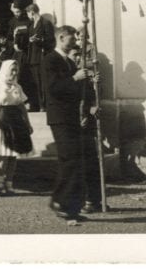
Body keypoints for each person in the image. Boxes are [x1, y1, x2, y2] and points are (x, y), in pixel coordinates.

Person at [44, 25, 95, 221]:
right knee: (69, 160)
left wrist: (90, 78)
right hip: (59, 117)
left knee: (75, 161)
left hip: (72, 116)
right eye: (71, 39)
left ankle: (71, 208)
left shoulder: (69, 62)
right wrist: (75, 78)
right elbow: (53, 88)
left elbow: (77, 88)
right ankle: (59, 200)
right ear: (61, 37)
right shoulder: (50, 60)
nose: (75, 42)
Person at [0, 60, 33, 194]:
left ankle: (9, 183)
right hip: (1, 118)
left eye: (16, 70)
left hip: (15, 120)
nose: (14, 73)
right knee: (3, 153)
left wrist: (28, 123)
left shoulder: (17, 87)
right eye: (12, 70)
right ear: (5, 70)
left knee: (13, 154)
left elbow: (22, 107)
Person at [68, 45, 104, 213]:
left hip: (87, 127)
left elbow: (91, 100)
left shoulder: (86, 78)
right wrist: (78, 115)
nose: (77, 58)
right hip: (73, 127)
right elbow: (63, 100)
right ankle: (81, 201)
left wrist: (96, 86)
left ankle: (94, 199)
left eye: (78, 56)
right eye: (74, 55)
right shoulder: (67, 77)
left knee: (92, 164)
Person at [25, 3, 56, 111]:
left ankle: (45, 105)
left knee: (43, 82)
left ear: (32, 12)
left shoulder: (45, 23)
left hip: (42, 57)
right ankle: (39, 105)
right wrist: (30, 40)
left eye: (28, 13)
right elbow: (28, 38)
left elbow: (51, 41)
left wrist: (39, 41)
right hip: (32, 58)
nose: (28, 16)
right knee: (36, 83)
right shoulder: (31, 24)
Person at [7, 0, 33, 107]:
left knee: (27, 76)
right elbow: (8, 38)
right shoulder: (12, 22)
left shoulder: (29, 21)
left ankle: (28, 101)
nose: (16, 14)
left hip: (27, 53)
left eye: (18, 12)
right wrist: (13, 44)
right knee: (17, 75)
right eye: (15, 12)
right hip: (17, 54)